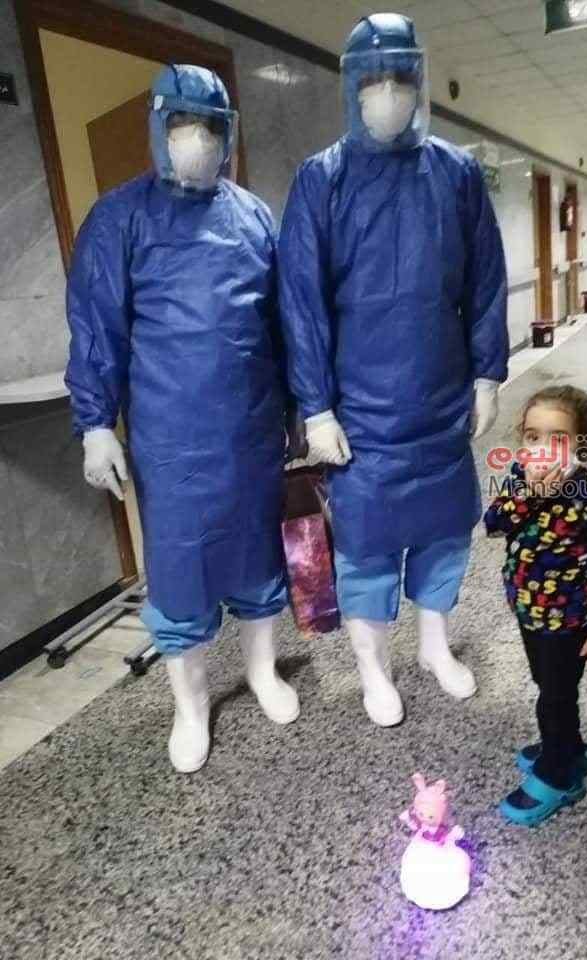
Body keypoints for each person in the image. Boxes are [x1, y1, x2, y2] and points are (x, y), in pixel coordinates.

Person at [65, 64, 299, 775]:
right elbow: (97, 327)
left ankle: (262, 671)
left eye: (210, 127)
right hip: (169, 442)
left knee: (258, 559)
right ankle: (191, 706)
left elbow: (281, 325)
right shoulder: (119, 218)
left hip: (252, 431)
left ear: (228, 134)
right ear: (158, 128)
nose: (197, 140)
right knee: (180, 571)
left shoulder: (252, 216)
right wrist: (95, 423)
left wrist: (297, 407)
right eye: (182, 125)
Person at [278, 14, 509, 726]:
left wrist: (487, 374)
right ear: (352, 88)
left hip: (441, 402)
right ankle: (373, 670)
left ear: (418, 82)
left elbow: (485, 279)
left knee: (444, 536)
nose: (387, 95)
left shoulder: (456, 172)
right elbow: (301, 301)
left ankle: (436, 648)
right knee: (367, 550)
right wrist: (315, 406)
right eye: (372, 82)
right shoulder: (322, 179)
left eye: (399, 80)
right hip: (361, 413)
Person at [483, 385, 587, 825]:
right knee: (546, 681)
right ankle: (571, 747)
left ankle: (558, 774)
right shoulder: (519, 477)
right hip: (528, 609)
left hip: (569, 620)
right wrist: (527, 494)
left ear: (582, 445)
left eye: (557, 439)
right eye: (532, 437)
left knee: (555, 697)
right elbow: (494, 524)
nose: (542, 449)